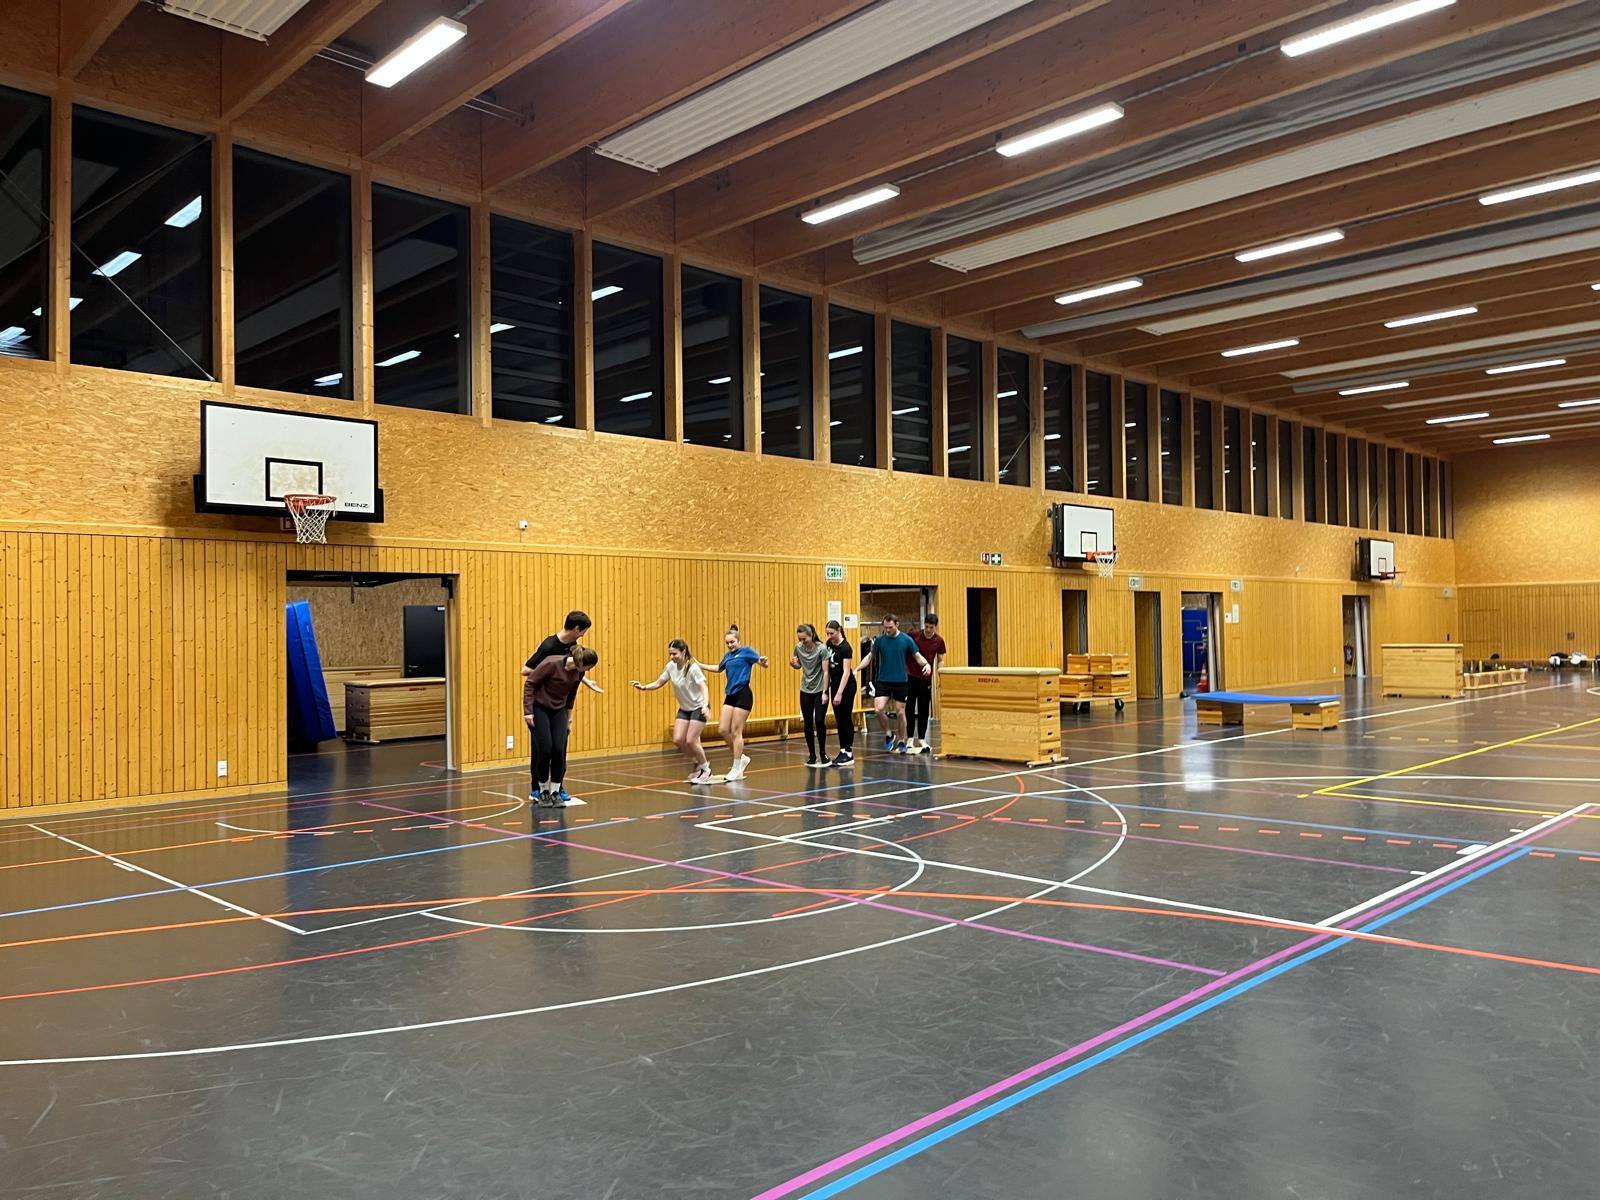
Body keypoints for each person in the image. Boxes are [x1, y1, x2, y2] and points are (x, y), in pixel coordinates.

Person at [520, 611, 603, 804]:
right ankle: (539, 789)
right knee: (543, 749)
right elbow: (526, 672)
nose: (584, 635)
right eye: (584, 631)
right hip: (541, 704)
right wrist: (548, 672)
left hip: (559, 705)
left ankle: (557, 788)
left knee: (559, 748)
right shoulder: (550, 647)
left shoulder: (575, 650)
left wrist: (583, 680)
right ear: (576, 629)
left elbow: (574, 674)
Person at [631, 639, 711, 784]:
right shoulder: (670, 667)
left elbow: (703, 687)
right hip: (685, 708)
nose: (672, 657)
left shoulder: (692, 668)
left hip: (699, 707)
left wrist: (705, 705)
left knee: (691, 740)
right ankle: (698, 763)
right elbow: (659, 682)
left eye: (674, 654)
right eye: (670, 654)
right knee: (678, 740)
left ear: (683, 652)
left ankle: (706, 770)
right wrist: (644, 687)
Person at [857, 613, 930, 754]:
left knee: (900, 712)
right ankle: (889, 733)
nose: (887, 630)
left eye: (890, 627)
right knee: (878, 709)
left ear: (897, 625)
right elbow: (870, 657)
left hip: (900, 682)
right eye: (885, 628)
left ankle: (902, 740)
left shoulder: (906, 640)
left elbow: (917, 656)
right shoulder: (880, 641)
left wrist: (926, 664)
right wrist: (857, 669)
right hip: (883, 681)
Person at [704, 625, 768, 781]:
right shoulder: (728, 656)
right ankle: (742, 757)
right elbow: (719, 668)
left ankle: (737, 767)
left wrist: (763, 662)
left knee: (736, 731)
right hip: (730, 695)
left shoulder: (747, 651)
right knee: (722, 729)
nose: (730, 645)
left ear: (738, 641)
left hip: (743, 694)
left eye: (732, 642)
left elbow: (761, 662)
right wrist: (700, 665)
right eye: (727, 643)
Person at [905, 613, 947, 754]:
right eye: (927, 627)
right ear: (924, 625)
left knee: (923, 709)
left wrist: (941, 676)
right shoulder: (914, 635)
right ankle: (909, 738)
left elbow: (940, 660)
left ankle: (922, 738)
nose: (928, 630)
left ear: (936, 627)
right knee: (909, 707)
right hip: (910, 676)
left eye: (931, 627)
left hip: (925, 679)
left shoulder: (939, 641)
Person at [790, 624, 830, 767]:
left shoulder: (821, 649)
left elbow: (826, 671)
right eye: (800, 639)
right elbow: (798, 666)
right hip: (805, 690)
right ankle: (812, 755)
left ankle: (823, 753)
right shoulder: (798, 648)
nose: (802, 642)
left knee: (819, 720)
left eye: (804, 639)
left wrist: (825, 691)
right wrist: (793, 664)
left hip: (819, 690)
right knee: (807, 722)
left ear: (811, 636)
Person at [822, 619, 857, 767]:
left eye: (832, 633)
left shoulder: (846, 648)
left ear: (839, 630)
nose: (829, 636)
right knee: (839, 719)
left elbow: (846, 672)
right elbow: (827, 669)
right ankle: (842, 750)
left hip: (846, 686)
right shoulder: (829, 644)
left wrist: (839, 693)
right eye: (827, 633)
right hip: (835, 684)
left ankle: (848, 752)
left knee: (845, 717)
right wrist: (827, 690)